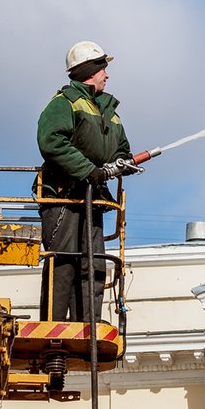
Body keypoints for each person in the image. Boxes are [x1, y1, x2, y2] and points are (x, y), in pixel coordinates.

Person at [37, 40, 134, 322]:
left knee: (93, 263)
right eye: (104, 68)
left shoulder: (108, 110)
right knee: (64, 261)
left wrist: (123, 160)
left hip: (93, 195)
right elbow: (51, 142)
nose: (107, 74)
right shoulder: (63, 104)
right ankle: (53, 325)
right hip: (64, 194)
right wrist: (87, 169)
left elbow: (120, 146)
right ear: (91, 70)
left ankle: (87, 322)